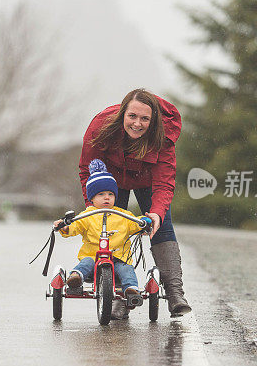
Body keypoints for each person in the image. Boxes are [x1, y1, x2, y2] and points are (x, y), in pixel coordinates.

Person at [79, 88, 191, 317]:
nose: (137, 124)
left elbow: (164, 183)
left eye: (144, 119)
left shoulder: (163, 136)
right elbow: (87, 169)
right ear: (122, 114)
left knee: (162, 226)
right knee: (111, 229)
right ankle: (119, 297)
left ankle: (174, 293)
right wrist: (93, 205)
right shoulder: (101, 127)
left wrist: (156, 214)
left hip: (147, 179)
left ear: (153, 121)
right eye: (132, 116)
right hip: (109, 180)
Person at [54, 160, 144, 320]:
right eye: (101, 194)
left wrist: (144, 222)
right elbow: (75, 226)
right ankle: (76, 278)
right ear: (92, 198)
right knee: (86, 263)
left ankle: (131, 290)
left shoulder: (123, 215)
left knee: (127, 269)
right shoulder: (87, 215)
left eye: (110, 194)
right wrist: (65, 226)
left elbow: (136, 223)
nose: (106, 198)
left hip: (118, 258)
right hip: (93, 257)